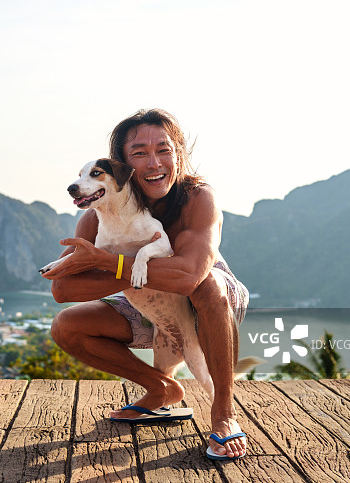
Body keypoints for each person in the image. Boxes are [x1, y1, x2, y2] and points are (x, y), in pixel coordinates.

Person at [41, 108, 249, 460]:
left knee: (208, 284)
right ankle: (161, 388)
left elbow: (189, 276)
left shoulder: (198, 198)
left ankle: (224, 414)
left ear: (178, 155)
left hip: (213, 305)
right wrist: (108, 265)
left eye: (164, 150)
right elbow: (63, 290)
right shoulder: (98, 213)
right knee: (66, 326)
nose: (154, 163)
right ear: (120, 167)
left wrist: (105, 262)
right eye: (139, 153)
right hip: (146, 301)